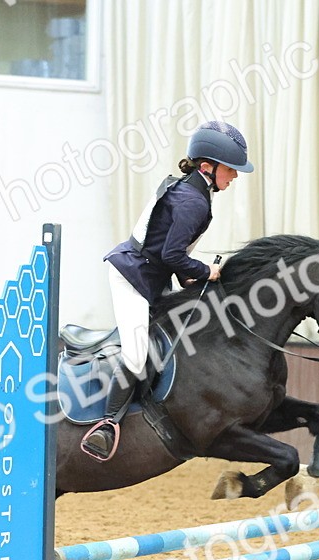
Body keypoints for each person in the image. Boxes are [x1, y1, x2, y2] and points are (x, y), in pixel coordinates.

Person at [81, 120, 254, 461]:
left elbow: (167, 250)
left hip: (153, 273)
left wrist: (188, 276)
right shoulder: (193, 201)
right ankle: (105, 425)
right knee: (135, 354)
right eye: (230, 170)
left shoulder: (190, 190)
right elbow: (172, 254)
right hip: (132, 277)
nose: (234, 177)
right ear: (208, 166)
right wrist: (206, 271)